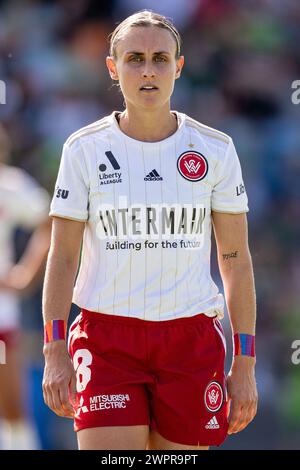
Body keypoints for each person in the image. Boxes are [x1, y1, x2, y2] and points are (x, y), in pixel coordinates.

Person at [42, 10, 258, 450]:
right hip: (105, 340)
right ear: (112, 67)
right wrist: (54, 348)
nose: (147, 70)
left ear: (179, 67)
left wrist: (246, 363)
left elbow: (235, 260)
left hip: (190, 341)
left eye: (160, 59)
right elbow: (62, 256)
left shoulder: (214, 150)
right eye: (134, 58)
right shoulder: (83, 149)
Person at [0, 124, 51, 449]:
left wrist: (25, 274)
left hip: (1, 317)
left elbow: (50, 221)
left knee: (12, 412)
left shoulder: (9, 185)